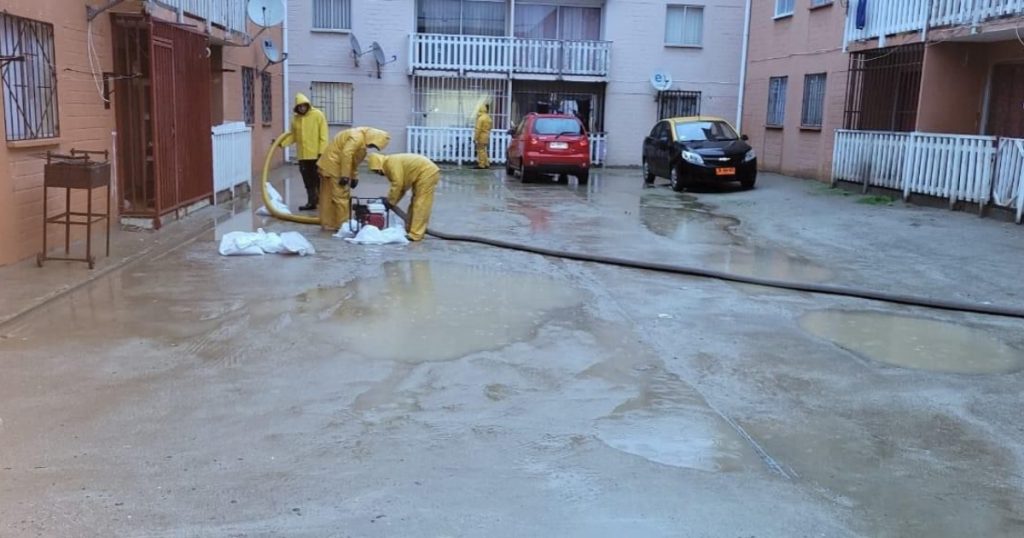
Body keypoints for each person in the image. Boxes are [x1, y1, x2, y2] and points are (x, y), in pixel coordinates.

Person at [316, 127, 391, 231]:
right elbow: (346, 154)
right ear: (373, 137)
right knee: (341, 197)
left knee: (328, 196)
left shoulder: (360, 140)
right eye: (373, 144)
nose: (371, 146)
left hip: (328, 165)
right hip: (334, 167)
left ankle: (328, 223)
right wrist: (345, 175)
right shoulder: (357, 137)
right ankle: (343, 226)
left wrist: (354, 176)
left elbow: (353, 160)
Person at [368, 153, 440, 241]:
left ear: (379, 165)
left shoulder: (390, 163)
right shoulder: (389, 164)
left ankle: (416, 234)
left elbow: (398, 185)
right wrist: (391, 202)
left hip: (427, 172)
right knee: (414, 203)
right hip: (422, 172)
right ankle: (411, 229)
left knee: (421, 204)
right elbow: (401, 188)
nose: (378, 174)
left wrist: (390, 201)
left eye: (377, 171)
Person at [277, 93, 328, 211]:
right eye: (299, 107)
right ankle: (312, 202)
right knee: (308, 180)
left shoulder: (318, 115)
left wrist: (322, 152)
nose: (302, 108)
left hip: (316, 155)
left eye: (303, 106)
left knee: (318, 180)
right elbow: (293, 136)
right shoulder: (296, 119)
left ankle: (323, 202)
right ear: (297, 108)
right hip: (303, 156)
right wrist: (282, 143)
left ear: (307, 105)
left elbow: (323, 135)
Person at [474, 104, 492, 169]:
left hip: (481, 136)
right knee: (484, 150)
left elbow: (478, 129)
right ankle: (486, 163)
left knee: (480, 150)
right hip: (486, 135)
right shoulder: (488, 118)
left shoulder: (480, 118)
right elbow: (490, 128)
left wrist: (475, 138)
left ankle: (481, 164)